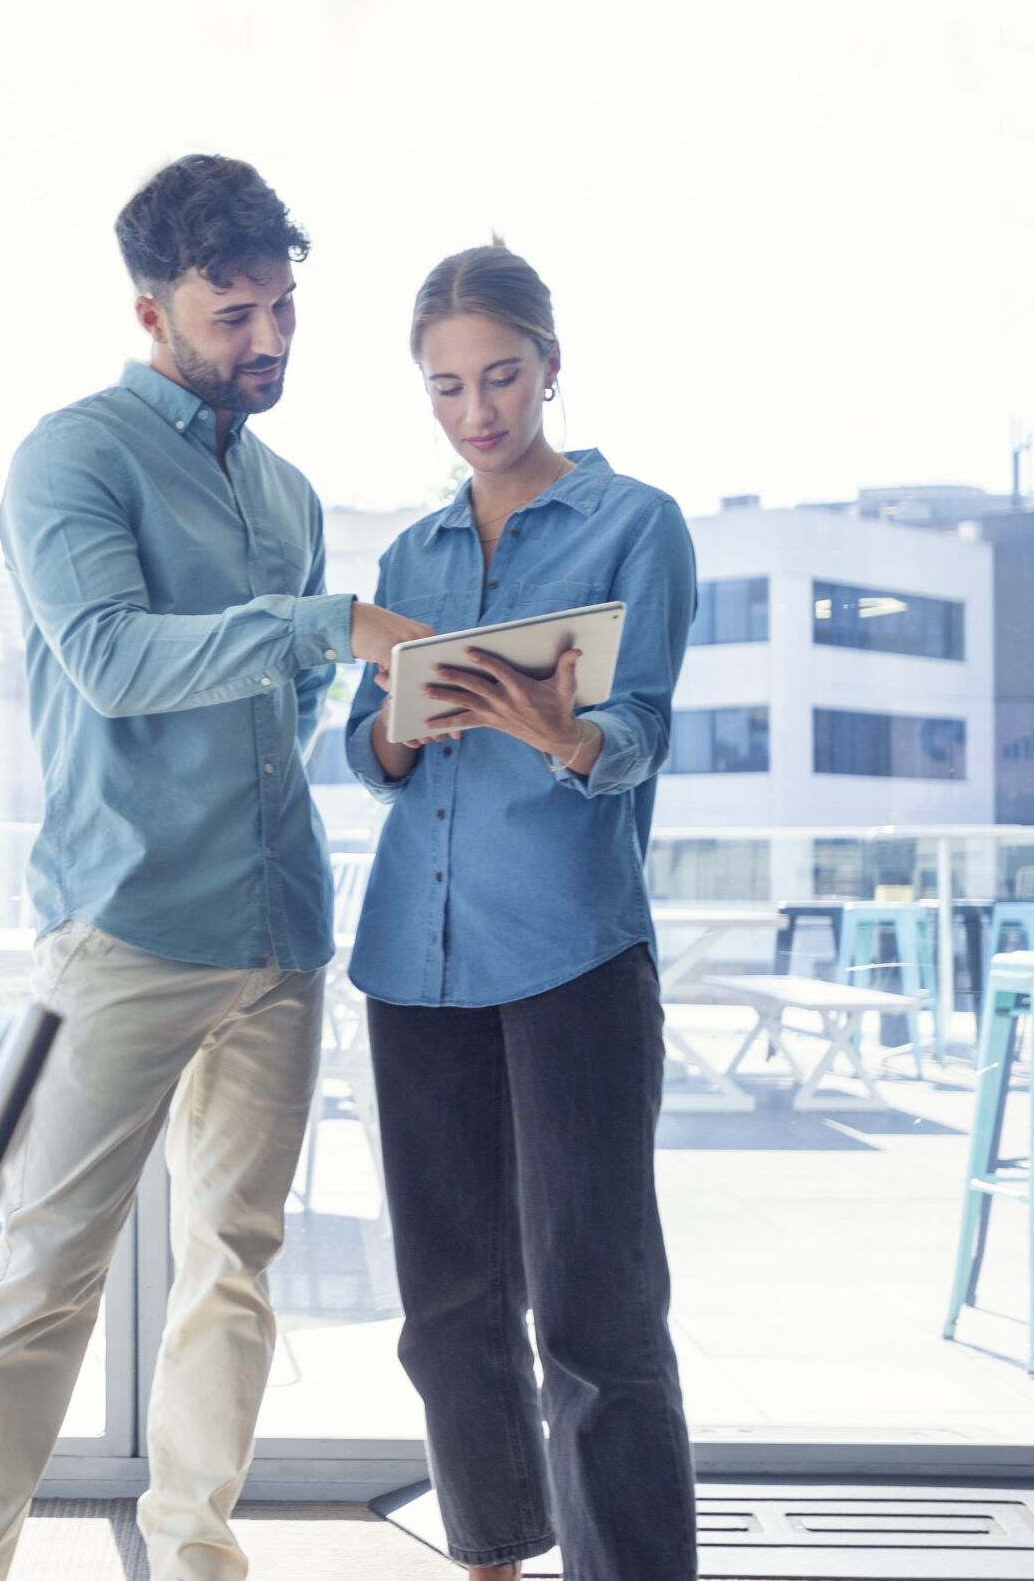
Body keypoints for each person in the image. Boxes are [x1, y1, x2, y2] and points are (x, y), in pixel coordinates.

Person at [0, 154, 432, 1581]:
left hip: (280, 937)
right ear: (151, 309)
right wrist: (322, 624)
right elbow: (112, 663)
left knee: (237, 1266)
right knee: (43, 1278)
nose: (266, 342)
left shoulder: (288, 492)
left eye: (282, 311)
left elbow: (300, 714)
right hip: (131, 924)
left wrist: (386, 692)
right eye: (232, 314)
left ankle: (197, 1550)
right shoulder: (71, 458)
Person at [342, 242, 698, 1581]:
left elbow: (644, 728)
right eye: (445, 388)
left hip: (572, 958)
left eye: (499, 377)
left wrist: (563, 731)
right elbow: (362, 757)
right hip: (412, 963)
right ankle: (489, 1556)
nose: (476, 411)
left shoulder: (635, 522)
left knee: (599, 1316)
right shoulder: (411, 550)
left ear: (552, 365)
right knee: (447, 1311)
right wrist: (388, 730)